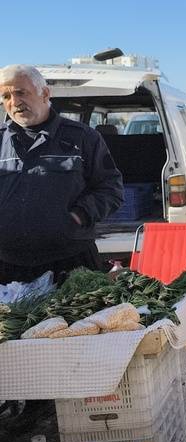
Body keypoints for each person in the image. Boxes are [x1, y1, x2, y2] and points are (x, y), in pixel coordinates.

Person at [0, 65, 123, 285]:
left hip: (71, 263)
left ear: (45, 93)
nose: (14, 102)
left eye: (21, 92)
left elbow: (110, 189)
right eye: (6, 96)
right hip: (8, 266)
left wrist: (78, 215)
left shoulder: (83, 138)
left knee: (81, 320)